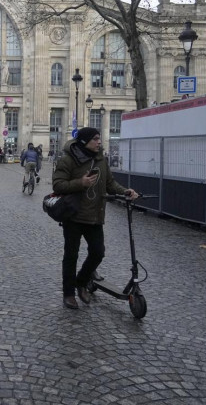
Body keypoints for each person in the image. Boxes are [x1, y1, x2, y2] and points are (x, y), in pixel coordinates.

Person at [52, 127, 139, 310]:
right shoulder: (69, 159)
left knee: (98, 253)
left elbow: (110, 183)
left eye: (99, 139)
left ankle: (81, 281)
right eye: (95, 139)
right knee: (71, 256)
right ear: (84, 141)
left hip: (95, 216)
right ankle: (69, 294)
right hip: (74, 216)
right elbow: (58, 185)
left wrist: (125, 192)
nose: (99, 142)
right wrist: (80, 183)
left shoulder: (101, 160)